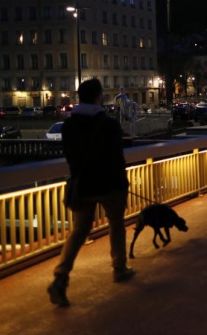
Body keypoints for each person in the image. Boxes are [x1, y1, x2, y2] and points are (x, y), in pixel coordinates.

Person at [47, 78, 133, 307]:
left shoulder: (69, 125)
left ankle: (60, 277)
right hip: (109, 184)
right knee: (116, 224)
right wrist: (123, 183)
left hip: (83, 184)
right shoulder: (108, 124)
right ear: (99, 97)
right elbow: (116, 157)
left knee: (79, 232)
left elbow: (70, 157)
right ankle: (119, 268)